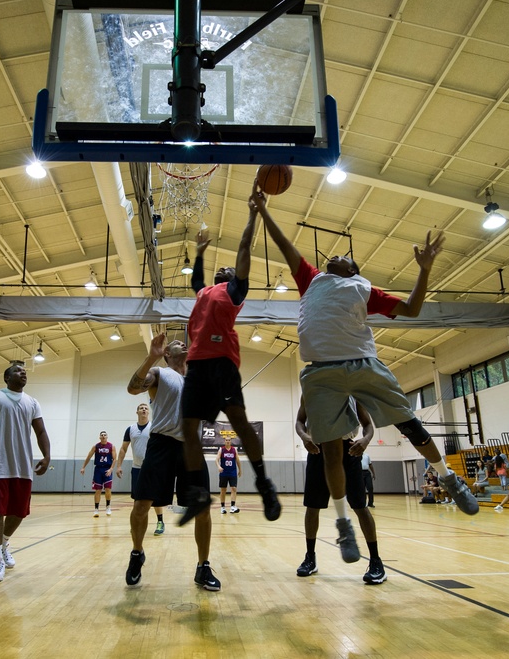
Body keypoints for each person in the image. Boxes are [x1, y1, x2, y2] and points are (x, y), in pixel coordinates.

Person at [255, 184, 478, 562]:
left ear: (352, 270)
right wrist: (263, 211)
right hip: (320, 373)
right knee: (329, 454)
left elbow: (411, 310)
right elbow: (284, 245)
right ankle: (343, 526)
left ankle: (448, 477)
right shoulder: (311, 278)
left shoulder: (363, 288)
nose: (336, 254)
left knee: (409, 424)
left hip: (361, 365)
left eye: (343, 255)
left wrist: (424, 271)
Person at [178, 204, 281, 526]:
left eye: (229, 268)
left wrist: (251, 217)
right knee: (188, 429)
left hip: (222, 362)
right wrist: (199, 252)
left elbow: (243, 249)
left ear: (236, 276)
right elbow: (196, 278)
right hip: (196, 364)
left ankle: (264, 482)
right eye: (219, 268)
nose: (223, 268)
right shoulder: (204, 292)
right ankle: (197, 491)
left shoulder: (235, 290)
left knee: (238, 420)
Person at [126, 333, 220, 591]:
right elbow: (133, 388)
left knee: (202, 510)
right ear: (167, 354)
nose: (183, 344)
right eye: (176, 344)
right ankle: (136, 554)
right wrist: (151, 357)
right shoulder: (159, 372)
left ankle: (203, 567)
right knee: (142, 504)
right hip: (162, 444)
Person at [0, 361, 51, 583]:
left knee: (20, 512)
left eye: (24, 371)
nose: (23, 372)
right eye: (17, 370)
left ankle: (3, 542)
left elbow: (41, 431)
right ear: (6, 377)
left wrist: (47, 455)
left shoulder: (32, 402)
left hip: (22, 464)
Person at [296, 395, 386, 584]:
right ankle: (310, 558)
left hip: (349, 449)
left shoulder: (352, 391)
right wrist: (304, 437)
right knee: (312, 507)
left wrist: (366, 440)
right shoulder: (311, 389)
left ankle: (376, 561)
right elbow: (299, 421)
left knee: (360, 506)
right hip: (317, 448)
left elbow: (368, 425)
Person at [115, 403, 165, 534]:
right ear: (137, 412)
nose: (143, 409)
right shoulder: (130, 429)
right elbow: (123, 448)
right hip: (136, 468)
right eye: (141, 408)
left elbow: (161, 447)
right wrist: (119, 465)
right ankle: (138, 524)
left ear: (148, 412)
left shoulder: (154, 427)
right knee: (138, 499)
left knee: (154, 497)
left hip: (152, 467)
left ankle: (160, 521)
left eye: (146, 408)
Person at [81, 431, 116, 517]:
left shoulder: (111, 446)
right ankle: (96, 509)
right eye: (102, 435)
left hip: (107, 469)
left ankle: (108, 507)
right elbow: (89, 457)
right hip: (98, 469)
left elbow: (115, 459)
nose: (103, 436)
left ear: (107, 437)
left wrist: (111, 469)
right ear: (99, 437)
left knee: (108, 489)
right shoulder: (96, 446)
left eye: (105, 435)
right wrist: (83, 467)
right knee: (98, 490)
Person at [216, 435, 240, 514]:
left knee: (233, 488)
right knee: (223, 490)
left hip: (232, 472)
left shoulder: (234, 450)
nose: (228, 441)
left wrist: (240, 470)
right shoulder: (221, 449)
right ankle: (222, 507)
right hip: (224, 473)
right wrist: (219, 466)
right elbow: (216, 459)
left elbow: (237, 460)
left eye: (229, 440)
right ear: (224, 441)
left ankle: (232, 507)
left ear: (231, 441)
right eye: (226, 440)